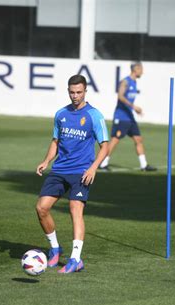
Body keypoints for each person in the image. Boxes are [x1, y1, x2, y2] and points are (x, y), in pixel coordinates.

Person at [35, 74, 109, 274]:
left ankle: (76, 259)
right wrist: (46, 161)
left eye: (79, 92)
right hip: (60, 169)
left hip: (81, 171)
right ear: (68, 91)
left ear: (85, 91)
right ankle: (55, 249)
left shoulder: (95, 115)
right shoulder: (61, 114)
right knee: (41, 208)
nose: (75, 96)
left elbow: (105, 146)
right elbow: (55, 142)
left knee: (75, 208)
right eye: (72, 92)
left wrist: (93, 168)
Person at [99, 61, 156, 172]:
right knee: (115, 140)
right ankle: (102, 163)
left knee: (138, 139)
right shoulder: (126, 82)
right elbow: (120, 96)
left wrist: (134, 110)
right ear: (136, 69)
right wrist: (133, 107)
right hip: (121, 116)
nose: (142, 72)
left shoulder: (134, 82)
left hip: (130, 117)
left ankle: (144, 165)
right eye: (141, 69)